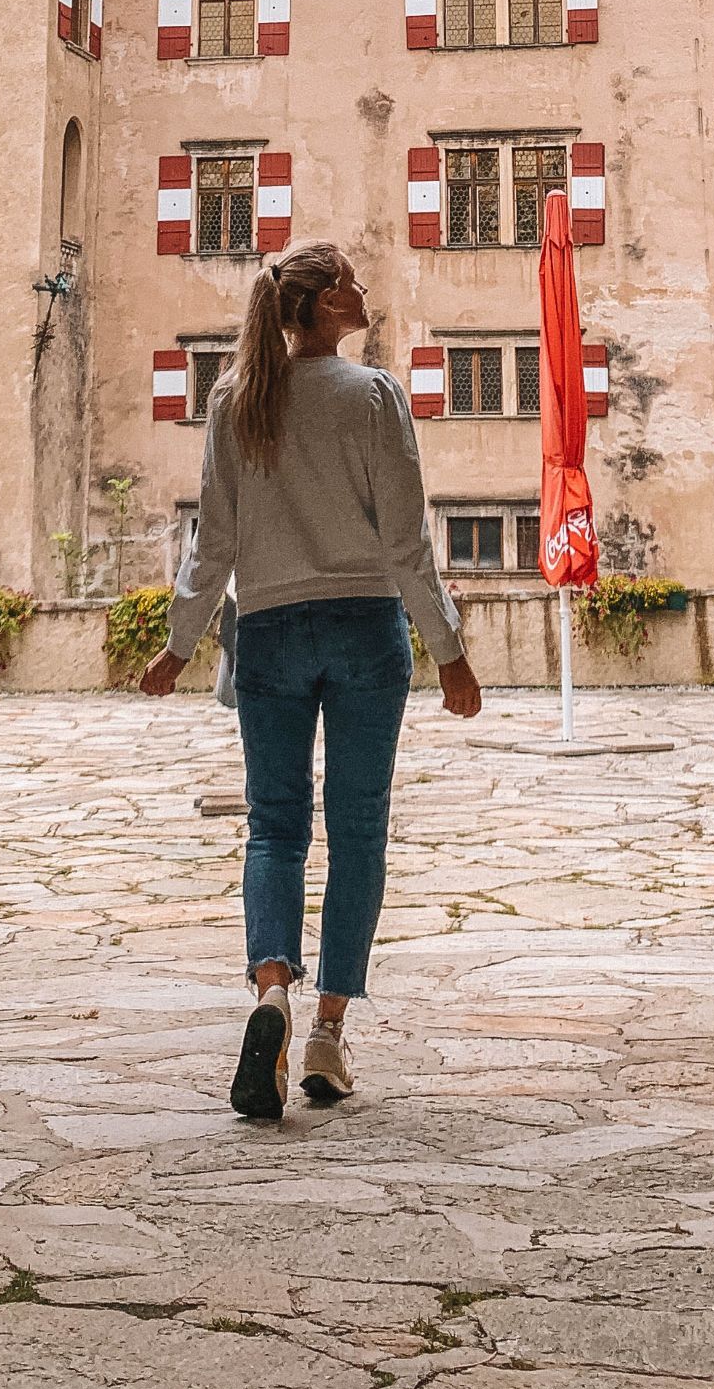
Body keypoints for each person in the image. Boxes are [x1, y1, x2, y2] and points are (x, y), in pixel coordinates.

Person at [141, 242, 482, 1119]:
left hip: (269, 631)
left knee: (275, 825)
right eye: (355, 282)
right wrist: (448, 649)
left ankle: (270, 994)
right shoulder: (372, 397)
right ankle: (329, 1030)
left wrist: (179, 646)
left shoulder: (233, 398)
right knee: (358, 826)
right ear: (330, 301)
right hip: (366, 627)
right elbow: (406, 541)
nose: (365, 291)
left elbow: (211, 542)